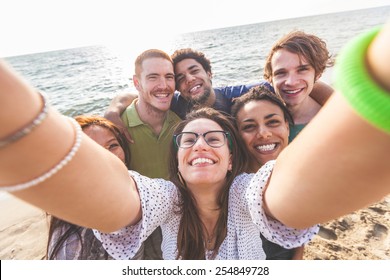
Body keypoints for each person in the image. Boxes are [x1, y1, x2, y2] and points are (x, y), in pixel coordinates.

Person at [1, 23, 389, 259]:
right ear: (177, 161)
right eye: (188, 139)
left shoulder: (246, 193)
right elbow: (116, 201)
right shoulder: (166, 199)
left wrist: (357, 83)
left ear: (232, 157)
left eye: (213, 138)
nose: (200, 143)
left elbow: (288, 195)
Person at [104, 48, 333, 141]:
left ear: (209, 73)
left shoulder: (236, 96)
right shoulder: (175, 103)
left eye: (194, 71)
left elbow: (281, 83)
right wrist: (113, 111)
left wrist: (338, 105)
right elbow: (131, 97)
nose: (189, 79)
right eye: (180, 77)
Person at [231, 85, 304, 260]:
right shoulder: (229, 182)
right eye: (249, 127)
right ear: (238, 135)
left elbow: (300, 234)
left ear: (287, 126)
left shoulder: (299, 172)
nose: (263, 133)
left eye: (272, 122)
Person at [46, 115, 130, 260]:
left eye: (112, 146)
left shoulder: (131, 198)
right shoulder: (75, 241)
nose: (106, 156)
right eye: (92, 150)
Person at [263, 31, 334, 142]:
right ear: (270, 78)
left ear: (317, 74)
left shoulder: (334, 119)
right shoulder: (260, 125)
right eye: (281, 73)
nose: (291, 82)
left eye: (302, 70)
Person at [121, 49, 181, 179]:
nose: (164, 85)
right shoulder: (119, 127)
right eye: (153, 77)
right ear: (137, 83)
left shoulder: (180, 125)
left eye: (169, 77)